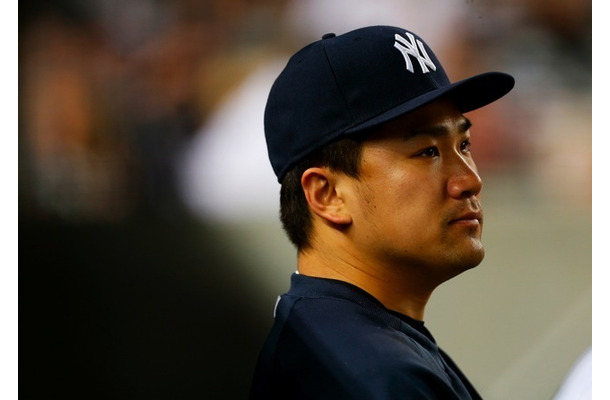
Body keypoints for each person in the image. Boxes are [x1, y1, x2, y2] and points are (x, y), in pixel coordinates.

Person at [249, 25, 515, 400]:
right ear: (327, 195)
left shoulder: (347, 342)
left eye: (464, 144)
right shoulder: (370, 375)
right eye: (427, 151)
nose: (469, 181)